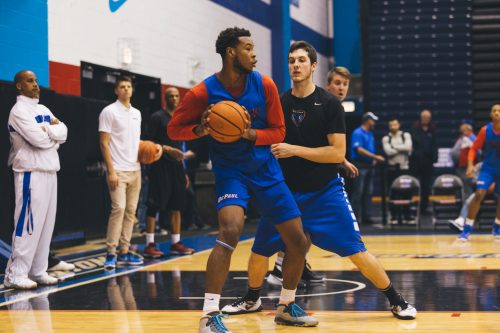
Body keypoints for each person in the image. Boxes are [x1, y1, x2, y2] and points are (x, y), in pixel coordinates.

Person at [221, 41, 416, 320]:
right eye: (291, 61)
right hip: (285, 193)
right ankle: (252, 298)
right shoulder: (280, 103)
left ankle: (396, 300)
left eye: (301, 60)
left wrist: (293, 150)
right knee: (260, 249)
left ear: (313, 66)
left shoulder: (329, 104)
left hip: (325, 192)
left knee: (356, 251)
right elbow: (266, 140)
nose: (295, 65)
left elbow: (337, 152)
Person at [168, 27, 317, 332]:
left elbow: (278, 132)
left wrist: (248, 133)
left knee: (298, 242)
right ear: (231, 53)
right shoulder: (203, 92)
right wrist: (201, 129)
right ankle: (209, 315)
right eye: (248, 48)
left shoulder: (264, 84)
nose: (255, 54)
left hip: (266, 171)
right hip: (231, 172)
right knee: (230, 231)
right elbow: (174, 129)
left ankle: (287, 306)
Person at [264, 66, 361, 289]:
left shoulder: (331, 106)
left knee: (303, 232)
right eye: (337, 83)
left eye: (345, 84)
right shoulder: (312, 103)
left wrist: (341, 159)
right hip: (295, 177)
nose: (341, 88)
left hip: (315, 177)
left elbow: (324, 144)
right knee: (291, 230)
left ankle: (297, 267)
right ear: (327, 85)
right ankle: (278, 268)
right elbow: (309, 141)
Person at [4, 70, 67, 289]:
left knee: (45, 226)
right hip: (30, 173)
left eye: (36, 81)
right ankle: (15, 273)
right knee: (27, 226)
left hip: (50, 172)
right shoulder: (18, 110)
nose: (36, 85)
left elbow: (64, 131)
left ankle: (38, 271)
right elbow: (39, 140)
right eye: (30, 81)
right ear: (19, 86)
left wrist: (50, 132)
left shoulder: (43, 109)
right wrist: (53, 134)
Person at [99, 76, 162, 270]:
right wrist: (110, 171)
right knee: (118, 209)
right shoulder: (109, 111)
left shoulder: (137, 113)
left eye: (128, 87)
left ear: (132, 90)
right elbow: (104, 142)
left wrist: (152, 151)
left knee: (131, 213)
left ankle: (124, 252)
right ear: (116, 91)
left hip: (135, 169)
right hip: (117, 170)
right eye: (122, 87)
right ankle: (111, 253)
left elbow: (136, 142)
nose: (126, 89)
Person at [144, 87, 195, 257]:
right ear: (165, 98)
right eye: (170, 96)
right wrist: (166, 149)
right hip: (160, 166)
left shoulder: (180, 119)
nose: (174, 98)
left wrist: (184, 171)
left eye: (176, 96)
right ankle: (149, 244)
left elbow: (180, 148)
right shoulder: (157, 117)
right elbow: (148, 143)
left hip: (177, 167)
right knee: (154, 205)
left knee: (177, 205)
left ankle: (176, 242)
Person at [458, 104, 500, 241]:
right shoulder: (485, 130)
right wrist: (470, 166)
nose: (497, 113)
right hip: (488, 168)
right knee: (479, 194)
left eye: (499, 111)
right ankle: (467, 229)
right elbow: (473, 149)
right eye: (494, 111)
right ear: (490, 114)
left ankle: (497, 226)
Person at [351, 112, 385, 224]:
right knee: (358, 192)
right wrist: (375, 157)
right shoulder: (357, 132)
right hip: (360, 166)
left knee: (368, 192)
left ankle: (366, 217)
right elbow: (358, 149)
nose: (374, 122)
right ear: (367, 120)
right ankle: (355, 218)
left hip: (369, 166)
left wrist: (373, 159)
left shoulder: (370, 133)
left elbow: (370, 149)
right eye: (373, 120)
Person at [382, 118, 413, 222]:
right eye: (391, 125)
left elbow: (408, 147)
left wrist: (394, 147)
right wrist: (401, 148)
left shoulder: (406, 135)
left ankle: (407, 216)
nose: (393, 127)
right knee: (393, 192)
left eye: (395, 125)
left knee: (406, 192)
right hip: (392, 169)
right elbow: (388, 152)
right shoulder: (386, 138)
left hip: (404, 168)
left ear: (399, 125)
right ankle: (394, 216)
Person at [410, 109, 438, 212]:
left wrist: (435, 157)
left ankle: (423, 207)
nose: (426, 119)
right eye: (424, 117)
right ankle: (411, 205)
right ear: (421, 118)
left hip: (428, 161)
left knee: (426, 185)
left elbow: (435, 144)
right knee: (412, 184)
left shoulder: (433, 129)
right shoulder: (415, 127)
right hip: (416, 161)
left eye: (428, 118)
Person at [451, 121, 476, 197]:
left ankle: (469, 207)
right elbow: (454, 153)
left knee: (467, 190)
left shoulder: (471, 138)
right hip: (461, 167)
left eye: (464, 130)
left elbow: (478, 152)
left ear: (469, 130)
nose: (462, 132)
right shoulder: (462, 139)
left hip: (467, 167)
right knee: (464, 189)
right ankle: (466, 206)